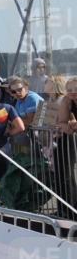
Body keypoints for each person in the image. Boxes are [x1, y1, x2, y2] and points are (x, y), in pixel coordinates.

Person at [52, 77, 77, 219]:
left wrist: (73, 124)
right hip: (68, 141)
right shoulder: (67, 101)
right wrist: (70, 125)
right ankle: (70, 210)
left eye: (76, 89)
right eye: (70, 90)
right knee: (66, 175)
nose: (73, 92)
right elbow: (62, 124)